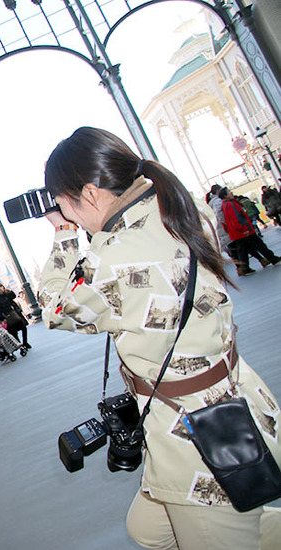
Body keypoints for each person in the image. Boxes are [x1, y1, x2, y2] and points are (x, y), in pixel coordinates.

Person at [40, 127, 281, 550]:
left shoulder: (112, 258)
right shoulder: (172, 209)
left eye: (65, 205)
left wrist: (62, 237)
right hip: (237, 402)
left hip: (198, 442)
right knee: (147, 529)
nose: (69, 216)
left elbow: (56, 311)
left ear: (91, 195)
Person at [218, 187, 280, 275]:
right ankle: (272, 259)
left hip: (238, 232)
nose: (231, 193)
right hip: (243, 231)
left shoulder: (226, 205)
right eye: (229, 192)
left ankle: (245, 268)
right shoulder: (230, 205)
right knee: (258, 244)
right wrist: (244, 229)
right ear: (225, 196)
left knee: (243, 250)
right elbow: (236, 218)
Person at [0, 283, 30, 350]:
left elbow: (13, 296)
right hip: (7, 316)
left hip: (15, 313)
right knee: (14, 333)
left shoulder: (7, 293)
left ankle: (25, 342)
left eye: (1, 287)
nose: (0, 289)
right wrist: (2, 318)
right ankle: (21, 346)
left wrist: (8, 291)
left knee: (24, 327)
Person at [206, 184, 235, 261]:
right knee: (236, 247)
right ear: (218, 191)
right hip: (224, 228)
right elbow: (218, 213)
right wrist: (227, 222)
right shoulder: (217, 201)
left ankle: (242, 267)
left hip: (220, 228)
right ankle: (242, 267)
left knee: (235, 248)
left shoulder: (210, 203)